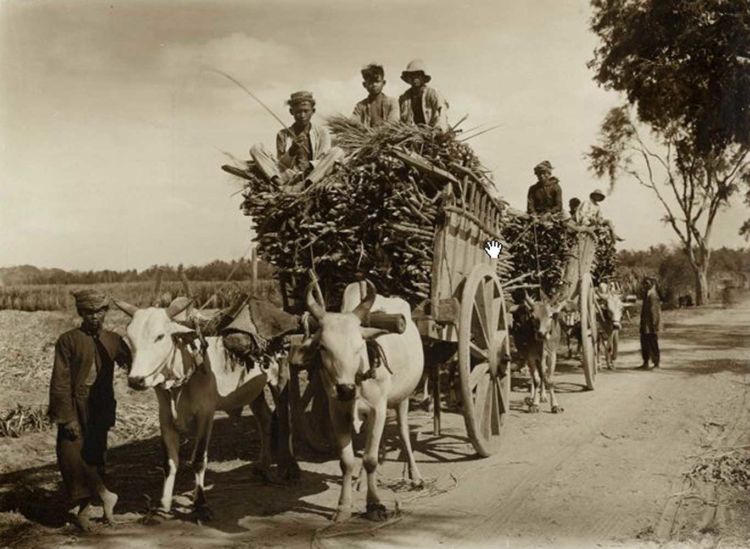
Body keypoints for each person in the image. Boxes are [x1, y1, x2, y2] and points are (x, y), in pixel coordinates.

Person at [48, 289, 132, 531]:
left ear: (105, 312)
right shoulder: (68, 340)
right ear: (81, 313)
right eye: (88, 312)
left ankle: (94, 509)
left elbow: (132, 363)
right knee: (70, 456)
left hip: (101, 407)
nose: (94, 316)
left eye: (99, 311)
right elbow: (60, 380)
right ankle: (100, 498)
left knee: (95, 456)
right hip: (75, 405)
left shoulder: (114, 340)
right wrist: (66, 417)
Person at [249, 91, 345, 191]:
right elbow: (281, 165)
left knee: (337, 152)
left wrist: (310, 166)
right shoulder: (283, 134)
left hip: (312, 175)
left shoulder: (322, 132)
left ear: (313, 111)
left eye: (306, 111)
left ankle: (303, 186)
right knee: (256, 148)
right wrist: (292, 150)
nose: (302, 115)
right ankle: (279, 184)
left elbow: (322, 158)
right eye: (298, 112)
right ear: (291, 112)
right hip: (288, 176)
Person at [398, 59, 449, 130]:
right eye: (412, 75)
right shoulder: (404, 98)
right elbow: (400, 121)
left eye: (418, 75)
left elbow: (441, 116)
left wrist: (437, 130)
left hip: (433, 133)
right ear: (408, 78)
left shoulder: (433, 94)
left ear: (423, 77)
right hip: (412, 135)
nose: (415, 78)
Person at [352, 63, 399, 128]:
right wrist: (361, 127)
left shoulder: (392, 102)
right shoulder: (360, 106)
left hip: (388, 137)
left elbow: (393, 122)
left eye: (377, 81)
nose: (374, 85)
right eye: (370, 82)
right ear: (364, 85)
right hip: (366, 137)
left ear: (383, 83)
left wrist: (378, 131)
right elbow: (353, 120)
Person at [637, 276, 662, 370]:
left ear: (652, 284)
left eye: (647, 283)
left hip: (651, 325)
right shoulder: (647, 295)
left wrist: (655, 326)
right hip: (645, 325)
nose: (645, 285)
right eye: (645, 283)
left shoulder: (653, 296)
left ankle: (656, 363)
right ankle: (645, 362)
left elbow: (655, 313)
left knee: (653, 343)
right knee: (644, 343)